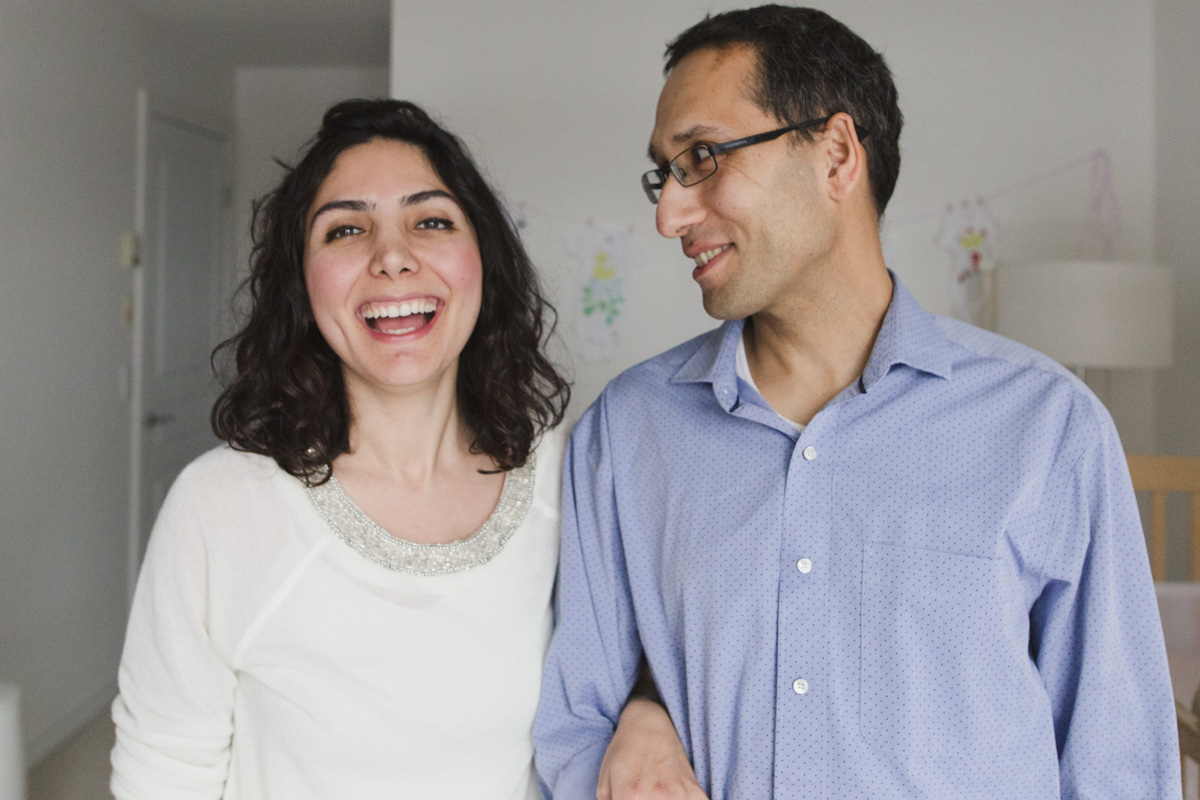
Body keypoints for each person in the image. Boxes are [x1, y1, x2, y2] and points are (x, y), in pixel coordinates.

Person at [534, 6, 1179, 799]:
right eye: (662, 174)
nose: (670, 214)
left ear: (837, 154)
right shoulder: (623, 436)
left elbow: (1118, 764)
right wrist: (646, 703)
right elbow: (574, 726)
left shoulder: (1050, 428)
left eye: (702, 157)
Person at [110, 98, 685, 799]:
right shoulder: (220, 507)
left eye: (431, 220)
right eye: (345, 229)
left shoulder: (567, 478)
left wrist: (648, 710)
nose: (391, 257)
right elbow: (163, 775)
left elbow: (656, 642)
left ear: (485, 261)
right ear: (300, 280)